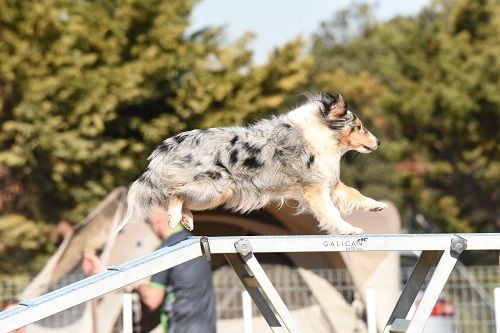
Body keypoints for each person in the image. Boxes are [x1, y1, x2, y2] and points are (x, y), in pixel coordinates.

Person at [82, 209, 217, 333]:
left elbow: (153, 299)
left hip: (182, 328)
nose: (149, 225)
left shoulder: (167, 250)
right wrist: (106, 270)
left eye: (147, 221)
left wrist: (136, 285)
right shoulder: (192, 242)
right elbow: (167, 281)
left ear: (155, 219)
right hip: (207, 326)